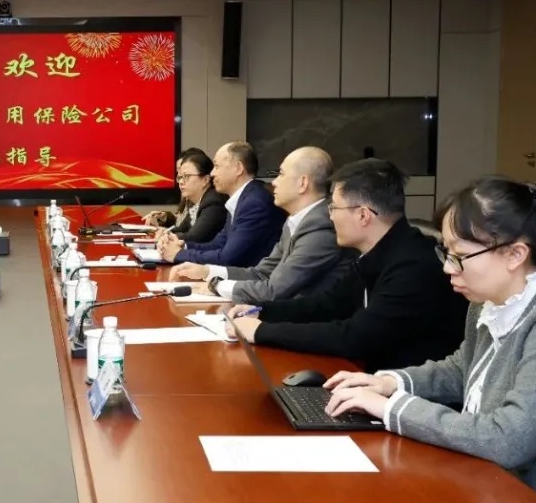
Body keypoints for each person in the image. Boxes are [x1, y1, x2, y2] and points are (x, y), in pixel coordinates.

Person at [324, 177, 536, 503]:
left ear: (515, 254)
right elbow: (463, 368)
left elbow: (508, 438)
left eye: (460, 255)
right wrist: (390, 382)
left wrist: (391, 408)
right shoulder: (489, 301)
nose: (448, 268)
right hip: (488, 479)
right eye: (446, 252)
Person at [225, 158, 467, 372]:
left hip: (407, 393)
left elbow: (355, 336)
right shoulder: (374, 254)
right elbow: (325, 305)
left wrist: (261, 331)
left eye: (334, 208)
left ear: (363, 215)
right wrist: (261, 311)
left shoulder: (414, 266)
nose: (330, 216)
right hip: (371, 378)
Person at [170, 146, 353, 304]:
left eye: (281, 174)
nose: (274, 182)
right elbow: (261, 273)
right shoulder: (296, 221)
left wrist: (216, 285)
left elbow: (273, 290)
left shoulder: (320, 227)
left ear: (303, 183)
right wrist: (206, 271)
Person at [157, 141, 285, 267]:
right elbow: (217, 244)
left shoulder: (254, 203)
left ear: (238, 168)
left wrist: (179, 254)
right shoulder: (241, 198)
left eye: (217, 166)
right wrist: (183, 245)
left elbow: (227, 258)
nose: (212, 173)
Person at [153, 150, 227, 244]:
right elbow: (182, 229)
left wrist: (167, 236)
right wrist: (164, 231)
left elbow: (194, 237)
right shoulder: (194, 202)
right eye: (180, 177)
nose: (181, 182)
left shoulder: (214, 202)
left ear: (205, 180)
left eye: (186, 176)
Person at [143, 147, 206, 228]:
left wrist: (162, 231)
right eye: (179, 173)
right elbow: (181, 223)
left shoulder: (209, 202)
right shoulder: (187, 198)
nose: (179, 180)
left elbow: (189, 232)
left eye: (185, 174)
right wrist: (165, 217)